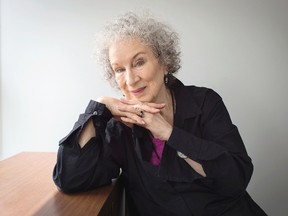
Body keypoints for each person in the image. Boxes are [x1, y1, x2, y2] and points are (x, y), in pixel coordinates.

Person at [53, 12, 267, 216]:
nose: (130, 80)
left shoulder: (205, 102)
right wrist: (98, 108)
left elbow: (236, 178)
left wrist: (168, 133)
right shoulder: (118, 127)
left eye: (139, 63)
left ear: (164, 62)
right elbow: (70, 178)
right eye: (119, 69)